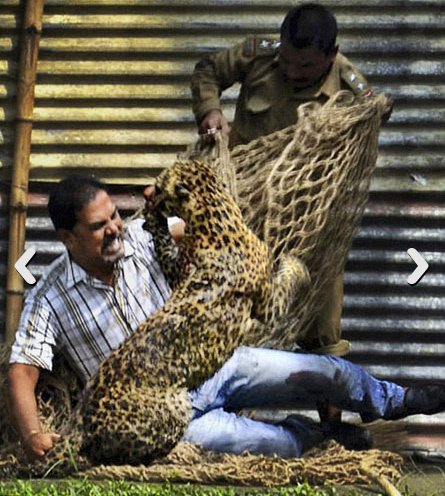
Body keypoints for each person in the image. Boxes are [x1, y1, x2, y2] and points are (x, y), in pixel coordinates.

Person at [8, 175, 445, 463]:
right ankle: (325, 438)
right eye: (99, 226)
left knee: (325, 372)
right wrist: (32, 436)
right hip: (170, 416)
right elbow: (23, 369)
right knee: (272, 445)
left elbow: (204, 227)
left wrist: (177, 207)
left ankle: (397, 400)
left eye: (115, 216)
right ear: (68, 238)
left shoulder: (141, 238)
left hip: (218, 364)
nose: (116, 229)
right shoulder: (50, 296)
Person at [190, 4, 391, 402]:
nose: (292, 71)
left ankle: (332, 427)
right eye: (287, 60)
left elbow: (375, 109)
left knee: (323, 323)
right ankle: (224, 409)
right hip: (245, 211)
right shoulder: (259, 54)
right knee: (234, 310)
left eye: (305, 66)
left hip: (310, 222)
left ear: (330, 56)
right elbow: (208, 69)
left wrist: (377, 112)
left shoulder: (348, 81)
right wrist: (210, 110)